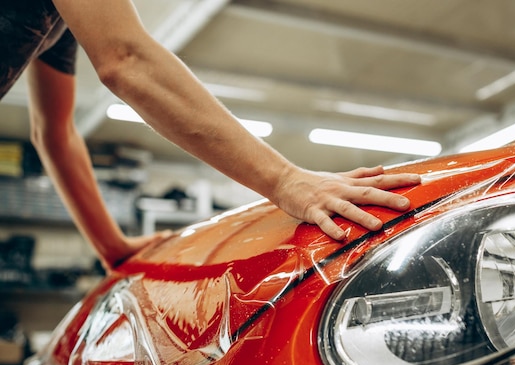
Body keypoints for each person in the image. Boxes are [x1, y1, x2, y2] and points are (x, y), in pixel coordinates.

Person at [1, 0, 422, 270]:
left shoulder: (61, 16)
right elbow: (125, 60)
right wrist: (285, 179)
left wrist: (112, 246)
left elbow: (53, 131)